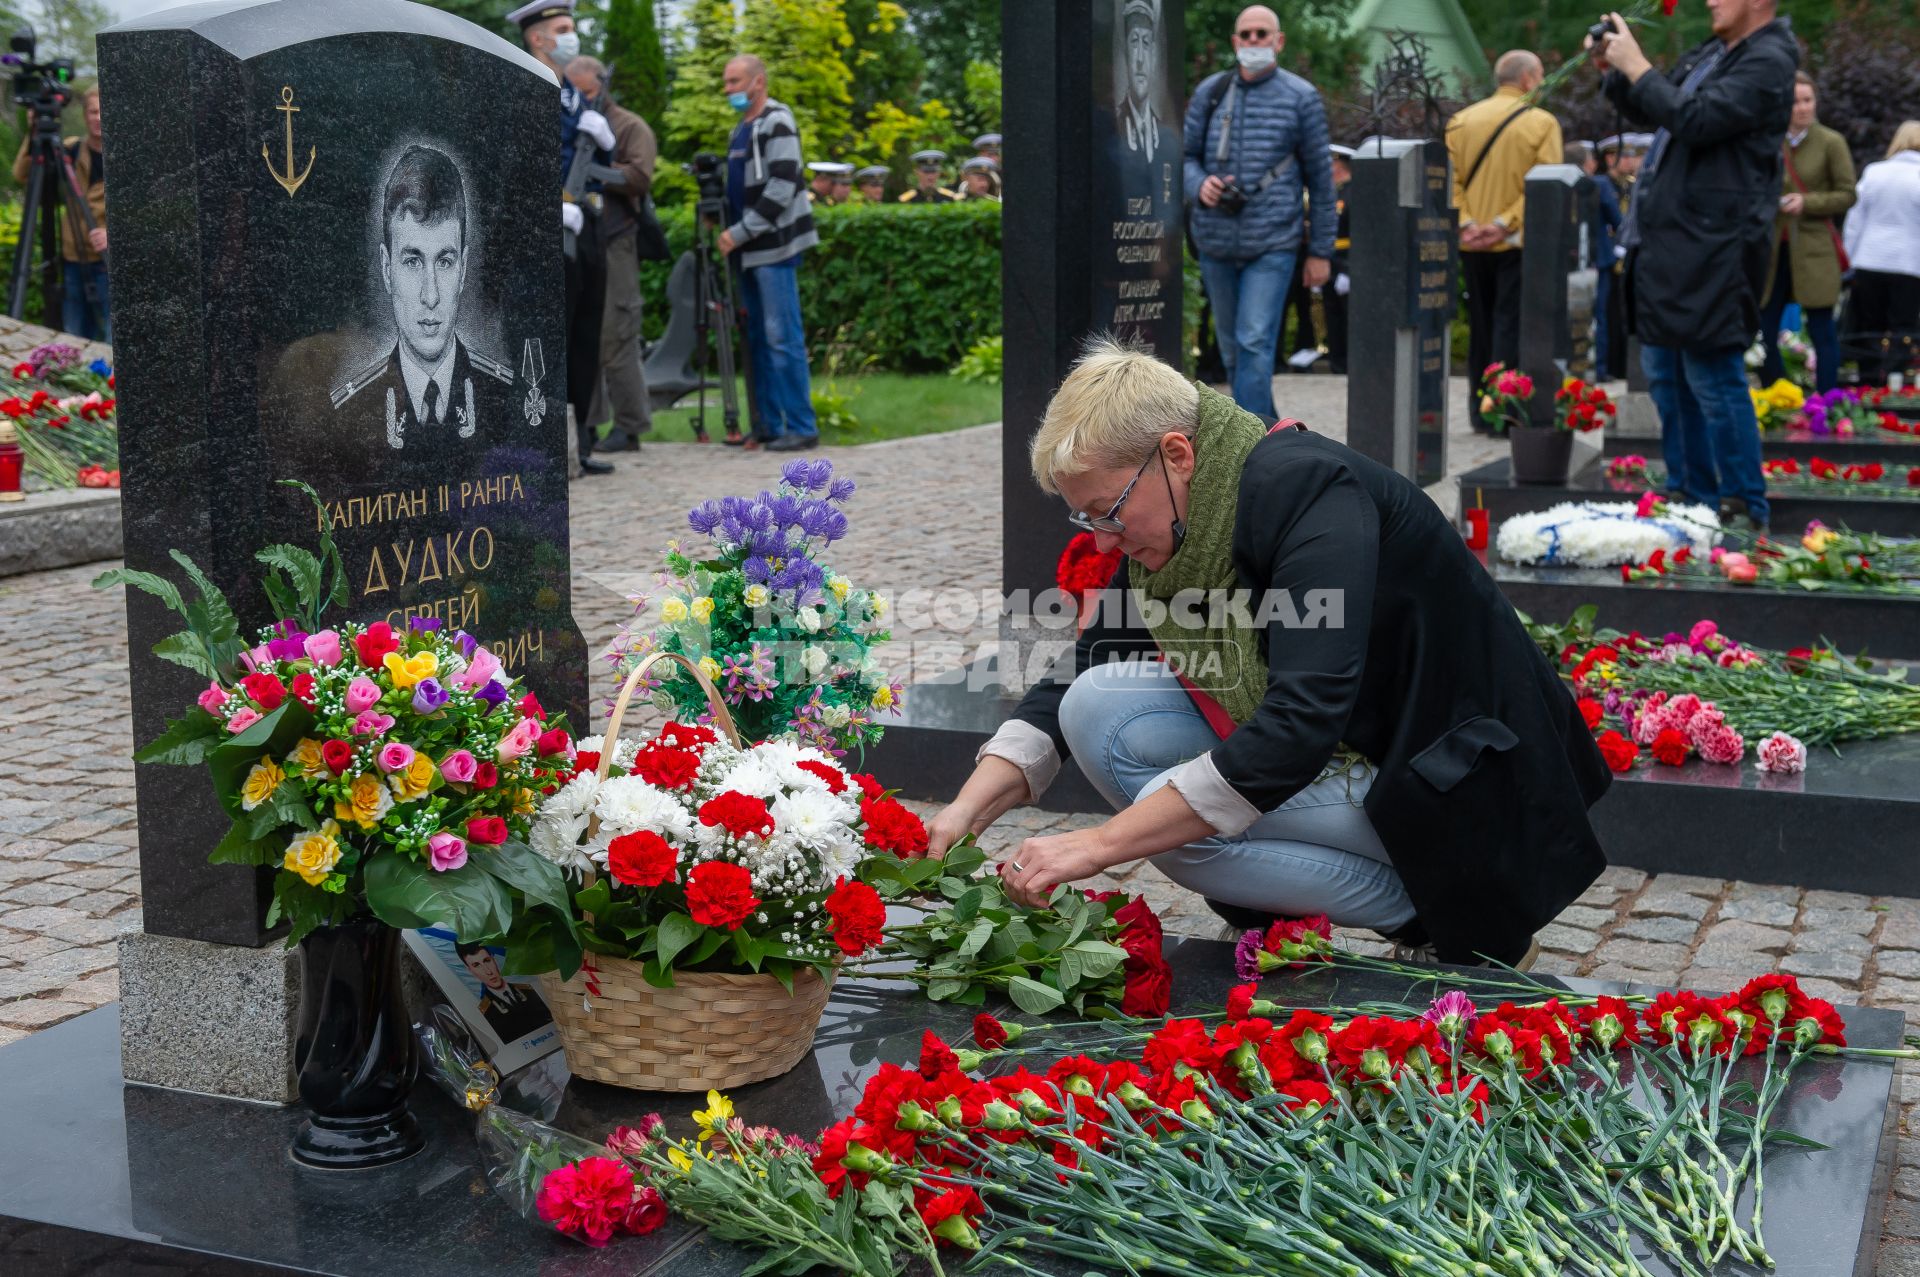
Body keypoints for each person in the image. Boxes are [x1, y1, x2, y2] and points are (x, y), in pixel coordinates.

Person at [927, 340, 1608, 967]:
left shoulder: (1309, 491)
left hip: (1462, 792)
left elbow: (1301, 722)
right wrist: (968, 806)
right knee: (1096, 706)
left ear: (1177, 454)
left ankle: (1431, 910)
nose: (1103, 541)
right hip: (1363, 760)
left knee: (1173, 829)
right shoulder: (1183, 515)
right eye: (1087, 518)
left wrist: (1096, 845)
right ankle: (1276, 903)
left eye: (1108, 510)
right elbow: (1083, 662)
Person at [1595, 0, 1797, 535]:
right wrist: (1617, 72)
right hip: (1668, 243)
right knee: (1664, 373)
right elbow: (1653, 109)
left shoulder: (1770, 59)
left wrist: (1638, 65)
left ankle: (1740, 502)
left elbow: (1697, 119)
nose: (1709, 1)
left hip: (1715, 247)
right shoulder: (1715, 51)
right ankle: (1690, 490)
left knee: (1712, 374)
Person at [1183, 5, 1337, 417]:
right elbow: (1183, 158)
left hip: (1272, 242)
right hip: (1214, 239)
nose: (1253, 41)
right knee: (1233, 348)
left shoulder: (1301, 97)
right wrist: (1199, 185)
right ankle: (1267, 433)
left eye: (1262, 34)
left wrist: (1321, 251)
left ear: (1279, 41)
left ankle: (1251, 452)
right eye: (1246, 35)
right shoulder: (1210, 92)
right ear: (1235, 42)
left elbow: (1321, 180)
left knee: (1253, 340)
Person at [331, 145, 514, 454]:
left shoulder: (504, 395)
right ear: (388, 270)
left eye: (444, 262)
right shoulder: (353, 410)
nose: (431, 296)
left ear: (463, 268)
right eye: (413, 261)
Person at [511, 0, 617, 475]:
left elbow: (590, 166)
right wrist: (548, 207)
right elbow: (515, 164)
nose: (572, 36)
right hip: (542, 232)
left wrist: (605, 148)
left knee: (584, 335)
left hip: (584, 228)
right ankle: (543, 444)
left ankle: (579, 443)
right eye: (564, 28)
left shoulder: (573, 94)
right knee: (547, 338)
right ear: (538, 37)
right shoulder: (522, 84)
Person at [1446, 51, 1563, 433]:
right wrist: (1502, 223)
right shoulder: (1542, 123)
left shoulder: (1460, 122)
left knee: (1480, 325)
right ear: (1528, 79)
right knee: (1509, 326)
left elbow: (1448, 182)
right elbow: (1545, 183)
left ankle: (1478, 413)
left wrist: (1467, 224)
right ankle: (1503, 411)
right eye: (1541, 75)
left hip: (1471, 243)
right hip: (1516, 242)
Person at [718, 54, 820, 453]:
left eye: (734, 81)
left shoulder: (778, 120)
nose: (728, 90)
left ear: (758, 82)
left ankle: (801, 426)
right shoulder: (740, 129)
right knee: (759, 338)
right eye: (726, 82)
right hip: (748, 251)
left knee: (782, 338)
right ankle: (770, 426)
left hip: (773, 249)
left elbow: (782, 187)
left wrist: (739, 232)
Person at [564, 56, 658, 455]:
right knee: (588, 336)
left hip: (617, 238)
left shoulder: (629, 125)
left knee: (618, 333)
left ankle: (631, 424)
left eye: (586, 93)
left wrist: (601, 162)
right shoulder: (571, 125)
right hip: (587, 237)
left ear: (601, 86)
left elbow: (639, 178)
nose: (579, 101)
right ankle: (589, 425)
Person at [1759, 73, 1856, 395]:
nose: (1802, 108)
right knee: (1764, 328)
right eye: (1795, 101)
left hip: (1815, 250)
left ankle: (1826, 402)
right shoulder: (1768, 140)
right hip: (1774, 251)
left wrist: (1808, 202)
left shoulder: (1831, 142)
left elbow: (1847, 194)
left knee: (1822, 329)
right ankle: (1778, 396)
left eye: (1807, 100)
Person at [12, 84, 109, 342]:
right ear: (85, 115)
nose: (98, 118)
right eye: (92, 111)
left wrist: (115, 234)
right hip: (72, 260)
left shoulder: (128, 157)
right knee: (73, 337)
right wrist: (35, 131)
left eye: (103, 111)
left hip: (108, 262)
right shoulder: (70, 150)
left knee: (114, 342)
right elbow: (22, 174)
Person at [1845, 122, 1920, 386]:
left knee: (1869, 325)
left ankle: (1867, 378)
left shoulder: (1874, 172)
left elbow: (1855, 220)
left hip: (1869, 259)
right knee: (1903, 328)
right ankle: (1894, 380)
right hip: (1909, 263)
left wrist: (1850, 257)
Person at [455, 941, 554, 1043]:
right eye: (476, 965)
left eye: (487, 960)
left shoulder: (528, 989)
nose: (488, 971)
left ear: (493, 958)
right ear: (470, 970)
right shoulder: (487, 1011)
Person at [1323, 143, 1353, 374]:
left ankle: (1349, 362)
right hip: (1329, 261)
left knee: (1348, 317)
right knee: (1331, 315)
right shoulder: (1331, 193)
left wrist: (1348, 269)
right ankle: (1336, 360)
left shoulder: (1353, 192)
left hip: (1347, 262)